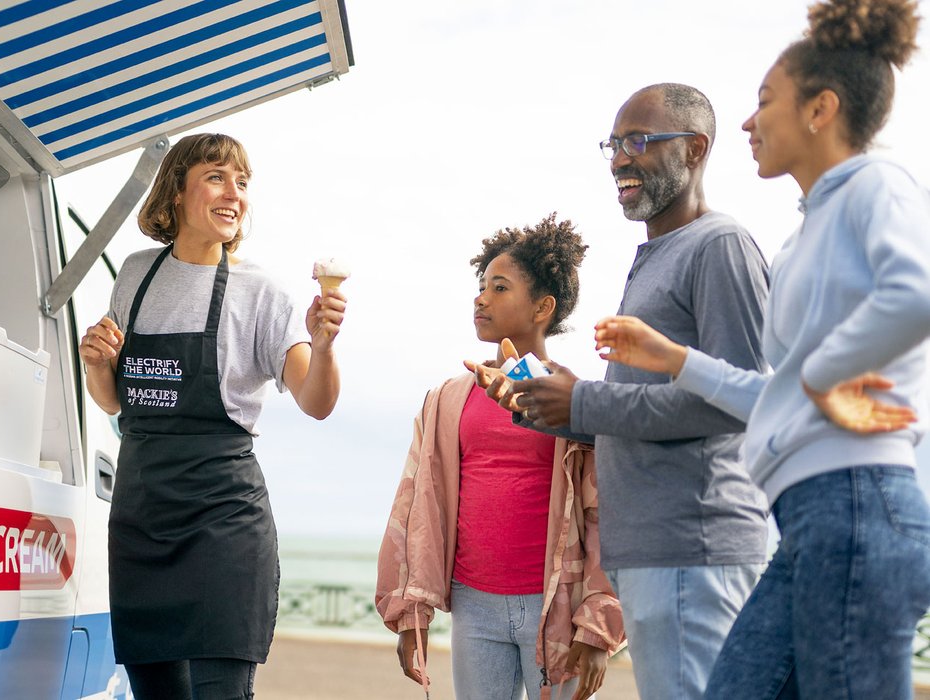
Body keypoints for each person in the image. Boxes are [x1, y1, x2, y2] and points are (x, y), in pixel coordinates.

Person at [593, 1, 930, 697]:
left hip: (858, 507)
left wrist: (820, 375)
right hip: (806, 519)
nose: (746, 122)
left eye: (765, 102)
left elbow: (917, 295)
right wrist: (675, 359)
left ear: (820, 110)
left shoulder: (876, 183)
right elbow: (776, 390)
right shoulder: (803, 233)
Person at [482, 85, 770, 700]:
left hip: (695, 552)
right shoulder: (654, 257)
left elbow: (740, 400)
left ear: (695, 149)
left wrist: (582, 400)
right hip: (652, 554)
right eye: (614, 144)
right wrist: (540, 402)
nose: (619, 159)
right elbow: (631, 412)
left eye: (638, 141)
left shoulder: (719, 245)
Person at [79, 133, 346, 700]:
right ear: (178, 189)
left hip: (223, 527)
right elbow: (115, 402)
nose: (234, 194)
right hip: (142, 520)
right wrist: (97, 361)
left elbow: (316, 401)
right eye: (217, 177)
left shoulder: (260, 292)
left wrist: (322, 345)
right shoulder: (134, 274)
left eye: (243, 183)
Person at [376, 215, 625, 700]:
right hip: (474, 605)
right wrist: (410, 610)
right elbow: (414, 505)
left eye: (500, 287)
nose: (481, 297)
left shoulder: (578, 402)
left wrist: (599, 626)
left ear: (542, 307)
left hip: (556, 607)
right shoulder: (446, 399)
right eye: (482, 285)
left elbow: (608, 516)